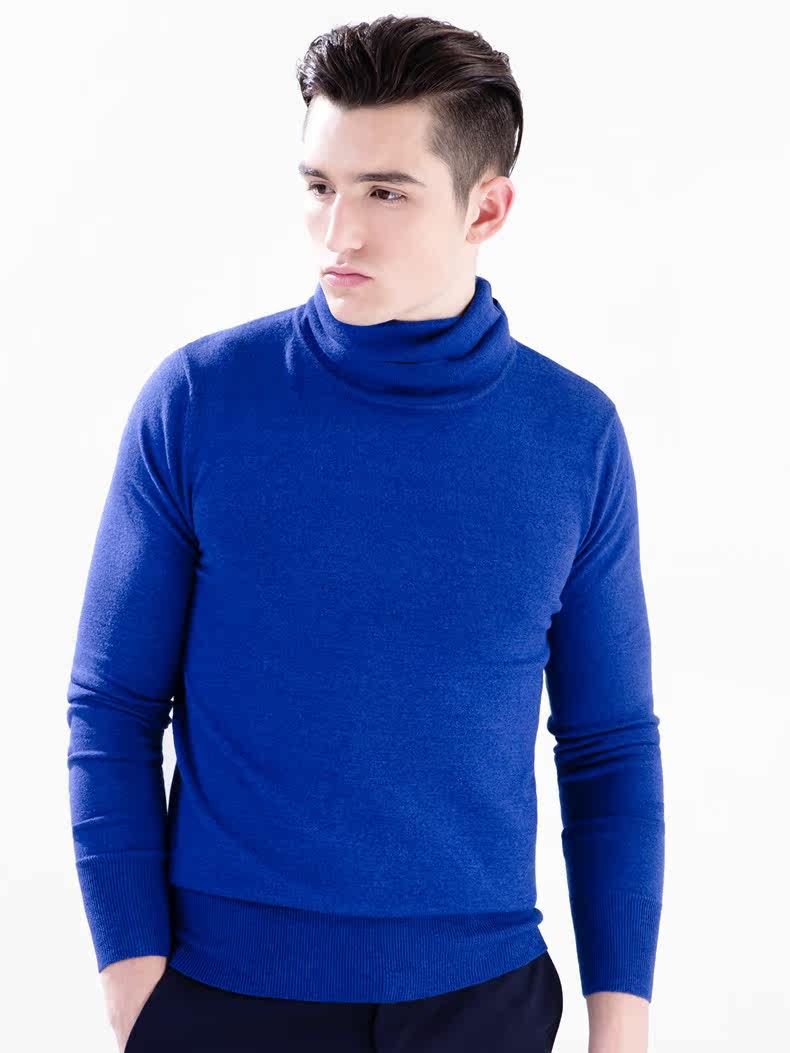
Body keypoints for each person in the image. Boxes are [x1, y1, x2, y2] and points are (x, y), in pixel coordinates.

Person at [66, 14, 664, 1052]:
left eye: (385, 192)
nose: (338, 233)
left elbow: (607, 746)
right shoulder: (202, 403)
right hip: (221, 995)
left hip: (482, 1003)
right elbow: (112, 705)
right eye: (319, 186)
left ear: (487, 207)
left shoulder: (573, 436)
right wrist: (132, 979)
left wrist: (621, 1024)